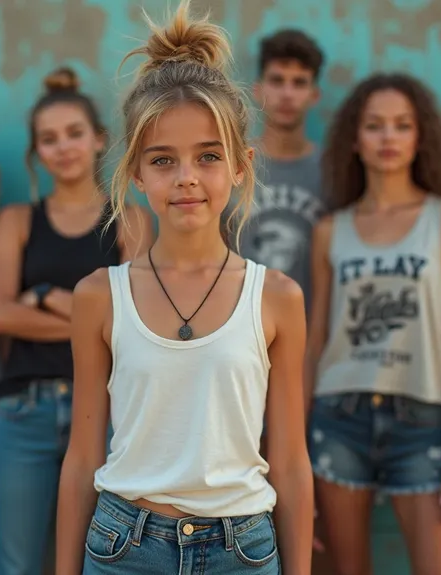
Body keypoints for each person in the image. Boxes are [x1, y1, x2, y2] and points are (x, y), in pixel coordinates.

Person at [55, 1, 314, 573]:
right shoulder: (100, 295)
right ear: (137, 172)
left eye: (208, 156)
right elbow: (81, 458)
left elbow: (292, 461)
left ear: (241, 166)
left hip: (241, 550)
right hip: (123, 546)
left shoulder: (277, 299)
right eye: (164, 160)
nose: (187, 177)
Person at [305, 73, 441, 575]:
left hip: (420, 419)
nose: (388, 138)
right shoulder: (329, 230)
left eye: (402, 125)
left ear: (419, 136)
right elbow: (315, 340)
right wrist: (293, 449)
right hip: (337, 414)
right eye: (375, 126)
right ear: (355, 140)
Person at [0, 67, 153, 574]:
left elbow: (139, 324)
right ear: (36, 152)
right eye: (48, 139)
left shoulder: (130, 220)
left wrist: (42, 300)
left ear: (99, 139)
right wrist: (91, 322)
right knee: (16, 564)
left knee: (99, 561)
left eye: (74, 134)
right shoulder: (17, 222)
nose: (63, 148)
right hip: (23, 412)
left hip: (106, 411)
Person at [239, 29, 326, 306]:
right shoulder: (232, 164)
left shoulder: (334, 171)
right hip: (237, 331)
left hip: (309, 333)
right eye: (277, 81)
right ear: (258, 89)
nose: (287, 94)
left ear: (314, 95)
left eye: (299, 83)